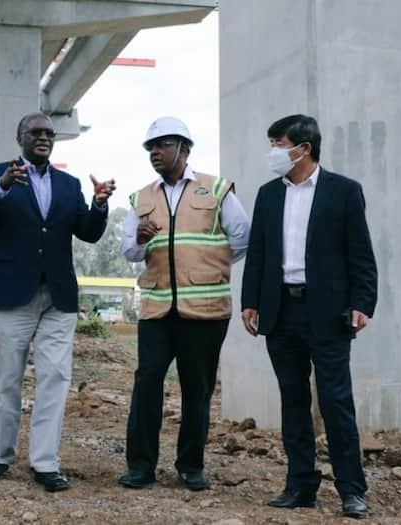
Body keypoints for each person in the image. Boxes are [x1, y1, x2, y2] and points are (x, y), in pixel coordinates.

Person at [0, 112, 115, 492]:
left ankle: (45, 462)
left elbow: (88, 234)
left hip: (58, 296)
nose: (44, 137)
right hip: (13, 293)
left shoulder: (69, 184)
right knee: (9, 379)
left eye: (49, 133)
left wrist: (98, 206)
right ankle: (0, 454)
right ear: (21, 138)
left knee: (54, 378)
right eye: (36, 132)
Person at [241, 114, 377, 519]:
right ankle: (300, 485)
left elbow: (361, 254)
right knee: (293, 400)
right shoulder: (268, 194)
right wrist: (251, 300)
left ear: (304, 148)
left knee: (336, 402)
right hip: (281, 312)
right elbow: (258, 253)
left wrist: (363, 303)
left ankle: (352, 490)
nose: (273, 152)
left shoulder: (344, 192)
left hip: (329, 313)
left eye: (278, 143)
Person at [117, 117, 250, 491]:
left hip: (205, 313)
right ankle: (140, 466)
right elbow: (129, 250)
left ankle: (190, 466)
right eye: (150, 148)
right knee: (147, 385)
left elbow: (240, 238)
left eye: (161, 145)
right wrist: (141, 240)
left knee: (197, 390)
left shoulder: (216, 189)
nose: (154, 153)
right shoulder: (141, 197)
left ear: (184, 148)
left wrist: (210, 267)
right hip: (158, 311)